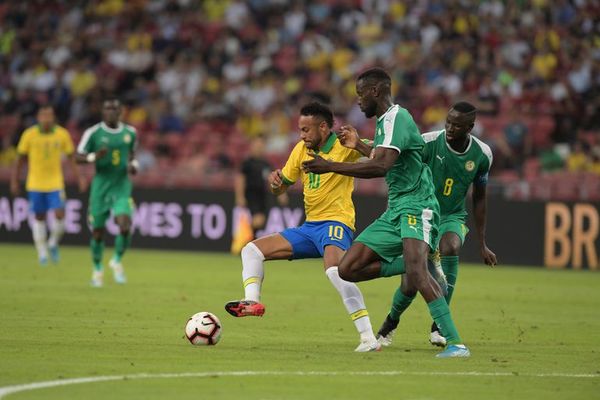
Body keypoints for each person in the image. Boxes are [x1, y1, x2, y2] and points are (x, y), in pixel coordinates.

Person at [302, 68, 470, 358]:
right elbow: (387, 159)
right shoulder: (385, 122)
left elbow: (381, 167)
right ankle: (412, 262)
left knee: (418, 274)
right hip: (396, 208)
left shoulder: (397, 117)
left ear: (375, 91)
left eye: (360, 94)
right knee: (348, 268)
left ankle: (455, 343)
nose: (358, 101)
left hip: (418, 204)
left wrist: (331, 165)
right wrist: (361, 146)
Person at [224, 102, 381, 352]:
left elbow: (383, 160)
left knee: (335, 272)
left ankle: (368, 338)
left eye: (306, 130)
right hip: (310, 228)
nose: (302, 135)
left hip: (336, 222)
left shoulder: (344, 144)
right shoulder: (300, 150)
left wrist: (360, 145)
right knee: (251, 250)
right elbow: (283, 184)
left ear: (323, 127)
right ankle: (252, 302)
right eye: (300, 129)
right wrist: (275, 184)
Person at [373, 102, 497, 348]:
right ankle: (391, 322)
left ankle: (439, 327)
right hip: (421, 213)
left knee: (451, 246)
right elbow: (395, 158)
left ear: (470, 127)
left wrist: (482, 243)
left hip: (452, 216)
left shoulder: (483, 155)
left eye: (457, 125)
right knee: (410, 283)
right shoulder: (428, 142)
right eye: (448, 122)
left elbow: (480, 197)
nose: (450, 128)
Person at [11, 105, 86, 265]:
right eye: (43, 115)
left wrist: (79, 178)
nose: (47, 118)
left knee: (60, 213)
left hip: (55, 182)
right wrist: (14, 180)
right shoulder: (29, 135)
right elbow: (20, 160)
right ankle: (42, 252)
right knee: (39, 216)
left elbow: (71, 157)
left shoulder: (62, 134)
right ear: (38, 117)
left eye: (49, 115)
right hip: (35, 183)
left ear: (54, 118)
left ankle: (52, 243)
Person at [76, 98, 138, 287]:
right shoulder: (93, 133)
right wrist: (94, 156)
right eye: (107, 109)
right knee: (97, 232)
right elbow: (78, 156)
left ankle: (117, 260)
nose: (111, 112)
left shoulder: (130, 132)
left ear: (120, 112)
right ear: (103, 112)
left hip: (121, 185)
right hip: (101, 186)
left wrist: (133, 165)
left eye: (114, 109)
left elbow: (132, 154)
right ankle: (97, 269)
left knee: (125, 224)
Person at [234, 135, 287, 240]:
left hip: (263, 195)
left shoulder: (266, 164)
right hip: (251, 194)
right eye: (257, 144)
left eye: (261, 144)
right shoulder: (247, 163)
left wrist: (281, 194)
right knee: (257, 220)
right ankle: (246, 240)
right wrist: (240, 196)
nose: (259, 147)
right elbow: (240, 179)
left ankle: (249, 241)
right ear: (252, 146)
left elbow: (273, 179)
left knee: (261, 221)